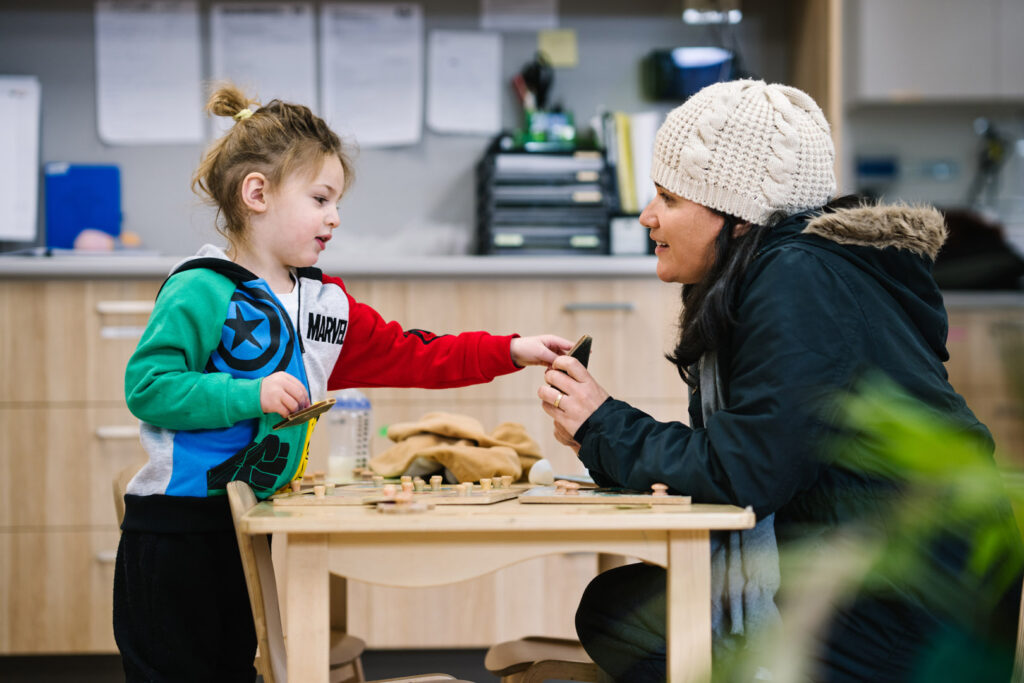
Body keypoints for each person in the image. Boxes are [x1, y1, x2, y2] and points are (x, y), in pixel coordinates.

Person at [538, 79, 1021, 681]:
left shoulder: (795, 279)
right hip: (908, 582)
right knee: (626, 604)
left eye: (670, 197)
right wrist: (597, 434)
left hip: (909, 605)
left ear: (736, 218)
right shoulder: (793, 270)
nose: (647, 216)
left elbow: (741, 476)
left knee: (618, 611)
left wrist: (603, 422)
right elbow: (749, 456)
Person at [114, 83, 572, 683]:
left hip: (246, 525)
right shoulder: (201, 287)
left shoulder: (325, 304)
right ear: (257, 193)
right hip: (175, 533)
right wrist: (248, 394)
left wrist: (511, 350)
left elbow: (415, 354)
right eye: (320, 198)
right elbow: (148, 387)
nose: (335, 216)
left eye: (336, 201)